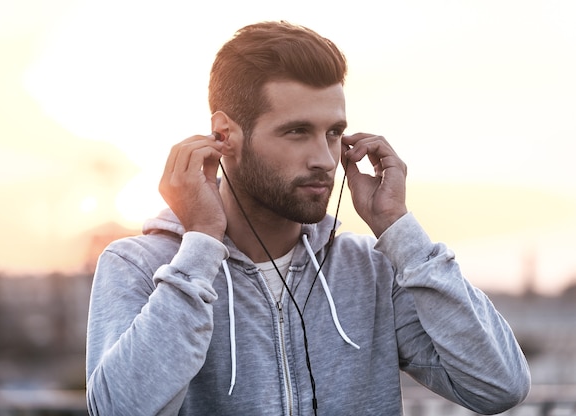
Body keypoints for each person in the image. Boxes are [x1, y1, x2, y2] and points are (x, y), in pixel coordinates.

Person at [85, 21, 530, 415]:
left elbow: (499, 387)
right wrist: (200, 244)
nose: (325, 158)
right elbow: (118, 408)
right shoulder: (142, 268)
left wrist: (399, 229)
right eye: (297, 131)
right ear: (224, 136)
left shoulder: (372, 270)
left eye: (334, 133)